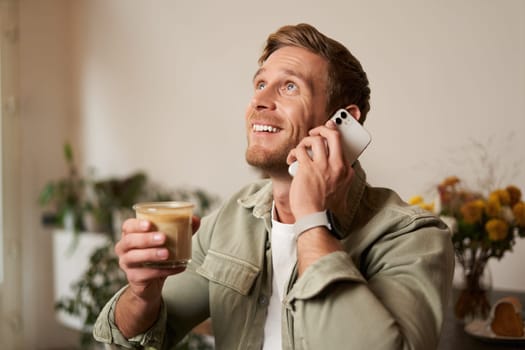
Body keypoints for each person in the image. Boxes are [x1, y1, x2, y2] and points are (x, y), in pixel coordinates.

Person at [93, 23, 454, 350]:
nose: (260, 102)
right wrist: (142, 293)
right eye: (261, 84)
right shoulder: (233, 218)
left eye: (290, 87)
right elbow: (133, 342)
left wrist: (311, 218)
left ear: (342, 122)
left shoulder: (412, 238)